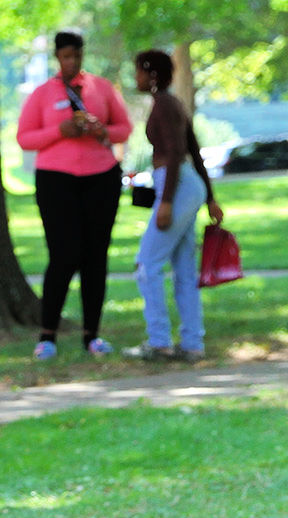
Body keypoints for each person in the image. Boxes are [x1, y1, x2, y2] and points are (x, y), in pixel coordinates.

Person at [16, 30, 132, 360]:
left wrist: (101, 131)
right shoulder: (42, 94)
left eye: (76, 55)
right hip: (57, 180)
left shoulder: (101, 88)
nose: (72, 61)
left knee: (95, 256)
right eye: (66, 56)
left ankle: (91, 335)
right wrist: (59, 131)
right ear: (57, 57)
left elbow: (124, 128)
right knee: (64, 254)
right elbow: (25, 138)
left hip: (100, 178)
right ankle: (47, 335)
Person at [127, 49, 226, 362]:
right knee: (183, 268)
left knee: (146, 264)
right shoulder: (172, 103)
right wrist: (209, 196)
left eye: (138, 72)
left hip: (178, 188)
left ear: (151, 73)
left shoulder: (166, 104)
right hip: (184, 186)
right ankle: (192, 343)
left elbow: (175, 154)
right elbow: (194, 151)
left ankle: (159, 341)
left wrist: (167, 201)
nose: (136, 78)